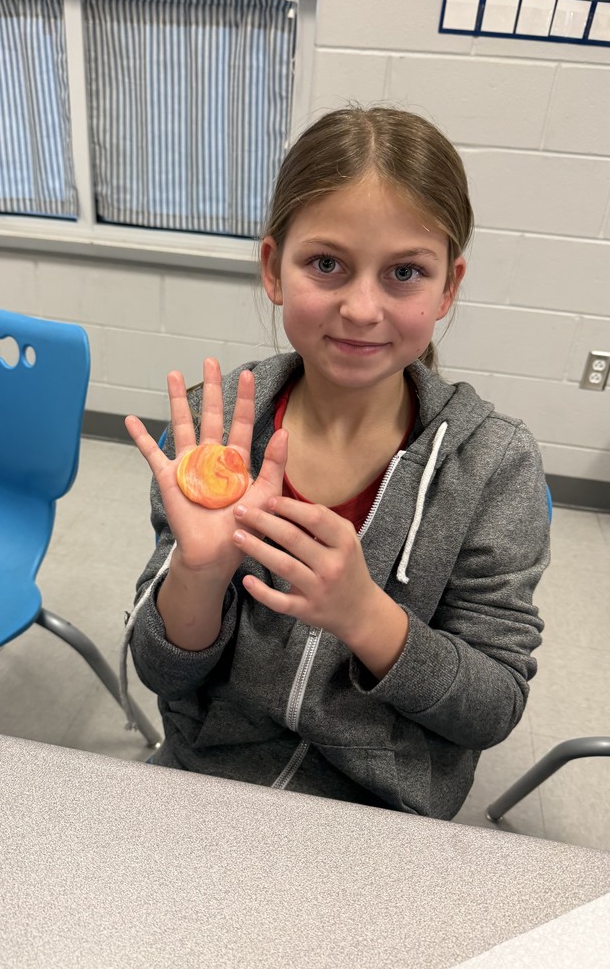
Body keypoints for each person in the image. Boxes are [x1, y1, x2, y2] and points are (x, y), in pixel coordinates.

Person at [120, 106, 550, 820]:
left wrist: (365, 616)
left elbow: (493, 707)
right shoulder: (217, 435)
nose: (360, 307)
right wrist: (199, 572)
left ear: (448, 287)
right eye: (327, 264)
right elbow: (161, 668)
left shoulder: (494, 466)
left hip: (380, 815)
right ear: (273, 268)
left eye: (404, 273)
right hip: (210, 778)